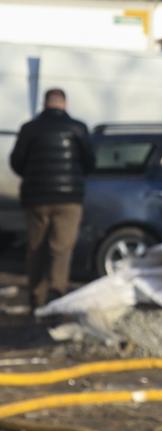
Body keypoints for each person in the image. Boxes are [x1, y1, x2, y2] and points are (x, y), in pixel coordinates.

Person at [9, 88, 93, 309]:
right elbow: (90, 162)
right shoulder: (78, 128)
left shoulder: (29, 129)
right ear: (64, 104)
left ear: (45, 104)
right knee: (61, 248)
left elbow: (16, 161)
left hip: (36, 197)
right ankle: (57, 295)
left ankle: (36, 297)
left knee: (36, 247)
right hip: (69, 199)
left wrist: (32, 176)